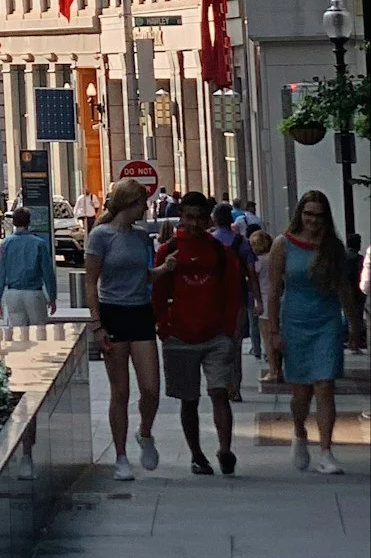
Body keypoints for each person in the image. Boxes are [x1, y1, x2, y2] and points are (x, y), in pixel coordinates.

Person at [265, 190, 367, 475]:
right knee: (301, 391)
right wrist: (274, 331)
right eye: (308, 214)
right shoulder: (282, 245)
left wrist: (354, 324)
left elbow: (344, 287)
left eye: (319, 216)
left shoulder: (332, 246)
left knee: (325, 385)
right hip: (295, 320)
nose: (313, 221)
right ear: (300, 215)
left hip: (327, 321)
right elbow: (274, 290)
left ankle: (326, 451)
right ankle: (299, 432)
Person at [153, 191, 246, 475]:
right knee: (188, 399)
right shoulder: (168, 251)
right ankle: (196, 454)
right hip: (180, 335)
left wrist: (229, 331)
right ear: (181, 217)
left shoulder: (221, 252)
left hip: (215, 334)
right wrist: (164, 327)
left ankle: (225, 449)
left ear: (208, 220)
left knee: (220, 393)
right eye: (188, 217)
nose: (193, 223)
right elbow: (158, 293)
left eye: (199, 218)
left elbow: (233, 294)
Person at [85, 177, 162, 480]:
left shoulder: (142, 237)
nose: (146, 207)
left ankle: (145, 432)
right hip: (113, 312)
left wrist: (163, 271)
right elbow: (91, 280)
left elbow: (144, 275)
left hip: (141, 312)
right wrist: (97, 323)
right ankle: (120, 456)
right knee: (120, 390)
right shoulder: (100, 236)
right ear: (131, 203)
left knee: (151, 388)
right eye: (143, 201)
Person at [210, 204, 258, 400]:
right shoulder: (242, 242)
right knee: (235, 344)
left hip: (213, 301)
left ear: (214, 219)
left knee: (216, 344)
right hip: (238, 298)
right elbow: (251, 274)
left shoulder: (210, 242)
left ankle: (219, 383)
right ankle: (234, 387)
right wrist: (257, 299)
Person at [0, 205, 58, 338]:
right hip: (34, 293)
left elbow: (0, 273)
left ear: (14, 222)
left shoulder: (6, 243)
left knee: (18, 334)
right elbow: (48, 273)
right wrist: (52, 297)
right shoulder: (39, 244)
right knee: (39, 333)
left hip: (13, 293)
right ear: (29, 222)